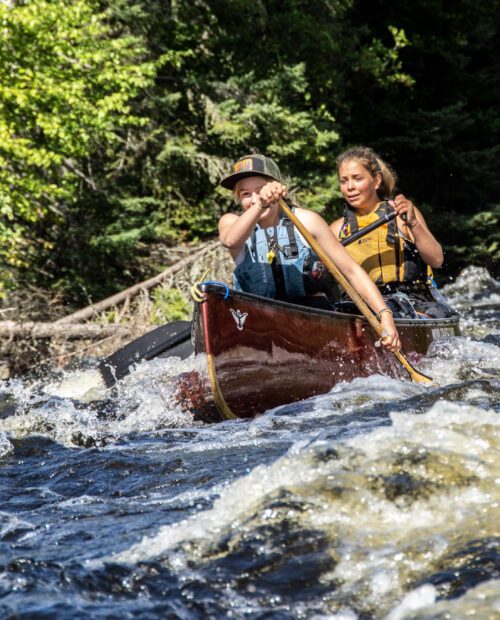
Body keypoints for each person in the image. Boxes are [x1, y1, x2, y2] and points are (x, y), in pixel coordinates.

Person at [218, 153, 401, 351]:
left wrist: (385, 316)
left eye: (260, 190)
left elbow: (351, 271)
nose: (254, 199)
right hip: (260, 324)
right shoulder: (231, 222)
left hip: (312, 320)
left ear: (276, 188)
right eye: (245, 194)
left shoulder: (307, 221)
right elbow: (230, 240)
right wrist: (260, 204)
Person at [330, 146, 457, 319]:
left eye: (357, 179)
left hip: (412, 301)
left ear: (376, 181)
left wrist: (413, 223)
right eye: (343, 181)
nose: (350, 187)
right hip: (361, 307)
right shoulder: (336, 230)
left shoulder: (401, 214)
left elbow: (436, 260)